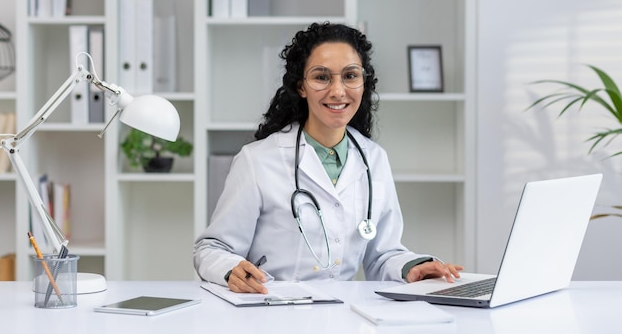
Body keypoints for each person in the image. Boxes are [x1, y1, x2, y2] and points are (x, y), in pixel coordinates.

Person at [193, 22, 463, 294]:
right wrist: (230, 270)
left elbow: (382, 256)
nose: (337, 91)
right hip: (271, 309)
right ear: (301, 86)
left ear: (363, 82)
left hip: (343, 313)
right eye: (322, 77)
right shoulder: (258, 160)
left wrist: (412, 267)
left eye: (350, 76)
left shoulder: (374, 159)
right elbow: (212, 249)